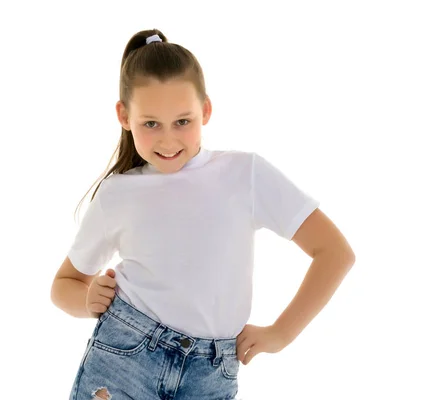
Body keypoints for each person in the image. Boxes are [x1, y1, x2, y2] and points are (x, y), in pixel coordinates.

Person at [50, 28, 355, 400]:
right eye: (150, 124)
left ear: (206, 110)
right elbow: (64, 284)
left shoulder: (246, 175)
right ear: (124, 116)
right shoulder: (118, 193)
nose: (167, 140)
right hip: (124, 359)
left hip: (211, 374)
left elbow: (335, 253)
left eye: (183, 121)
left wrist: (281, 333)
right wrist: (85, 300)